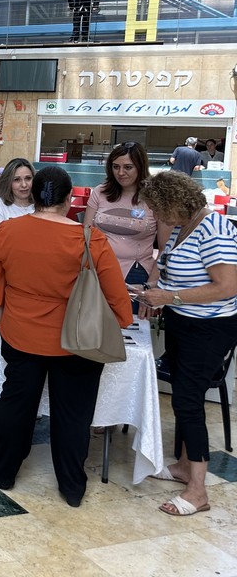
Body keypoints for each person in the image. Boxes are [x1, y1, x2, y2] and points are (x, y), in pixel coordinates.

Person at [0, 166, 131, 507]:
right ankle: (72, 487)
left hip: (21, 334)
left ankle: (5, 472)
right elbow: (116, 298)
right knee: (73, 415)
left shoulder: (8, 231)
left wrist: (4, 319)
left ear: (33, 195)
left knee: (16, 405)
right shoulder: (90, 239)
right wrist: (121, 320)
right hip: (78, 341)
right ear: (69, 199)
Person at [133, 171, 237, 517]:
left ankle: (198, 491)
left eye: (158, 209)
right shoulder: (183, 227)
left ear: (175, 203)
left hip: (209, 329)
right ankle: (182, 466)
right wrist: (151, 292)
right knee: (182, 396)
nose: (156, 216)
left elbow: (227, 286)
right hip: (184, 323)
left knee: (188, 402)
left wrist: (170, 297)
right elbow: (171, 271)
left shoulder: (214, 229)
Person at [85, 142, 169, 292]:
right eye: (116, 167)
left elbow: (165, 249)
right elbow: (86, 235)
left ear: (140, 167)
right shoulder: (100, 192)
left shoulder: (156, 198)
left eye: (128, 167)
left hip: (136, 272)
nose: (121, 172)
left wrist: (150, 286)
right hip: (98, 268)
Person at [0, 158, 35, 237]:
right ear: (8, 182)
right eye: (16, 180)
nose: (24, 185)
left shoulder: (43, 206)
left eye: (28, 178)